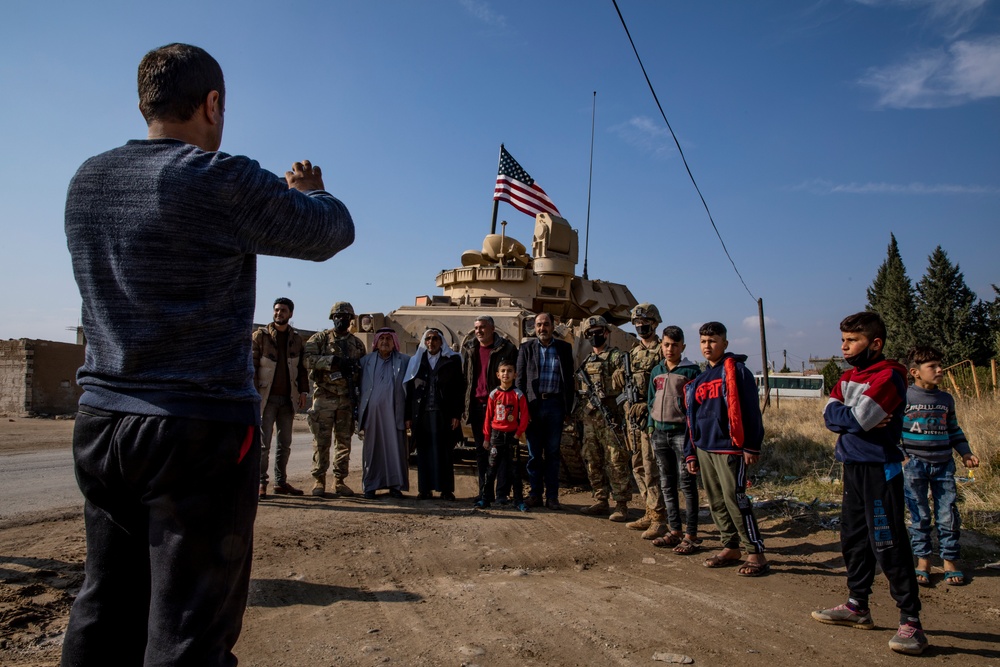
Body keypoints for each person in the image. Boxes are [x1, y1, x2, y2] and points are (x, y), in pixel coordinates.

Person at [62, 43, 354, 666]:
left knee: (104, 609)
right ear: (212, 103)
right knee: (189, 629)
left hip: (103, 421)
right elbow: (331, 232)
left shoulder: (88, 179)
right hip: (196, 429)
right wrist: (314, 190)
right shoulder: (215, 177)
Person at [812, 311, 927, 656]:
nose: (845, 347)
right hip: (853, 467)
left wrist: (853, 417)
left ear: (875, 344)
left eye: (852, 341)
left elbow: (861, 418)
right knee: (854, 539)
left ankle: (911, 622)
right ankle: (857, 606)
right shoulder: (848, 377)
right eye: (843, 340)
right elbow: (831, 414)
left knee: (887, 543)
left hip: (881, 469)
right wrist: (853, 416)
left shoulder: (892, 375)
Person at [684, 322, 769, 577]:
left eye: (713, 341)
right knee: (716, 502)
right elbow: (691, 418)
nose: (707, 346)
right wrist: (691, 451)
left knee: (736, 500)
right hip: (704, 448)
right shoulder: (700, 379)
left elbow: (751, 411)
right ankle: (730, 546)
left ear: (725, 344)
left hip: (729, 448)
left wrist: (752, 445)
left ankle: (755, 552)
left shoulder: (737, 371)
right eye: (703, 342)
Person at [901, 345, 979, 586]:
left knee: (947, 515)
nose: (939, 370)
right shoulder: (904, 397)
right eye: (932, 366)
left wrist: (965, 453)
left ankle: (950, 562)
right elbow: (892, 431)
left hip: (944, 465)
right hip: (914, 465)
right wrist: (902, 456)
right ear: (915, 371)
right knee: (920, 515)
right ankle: (923, 562)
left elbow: (954, 429)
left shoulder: (946, 399)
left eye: (939, 365)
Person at [304, 302, 367, 497]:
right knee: (321, 441)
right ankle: (319, 480)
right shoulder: (320, 339)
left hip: (346, 399)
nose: (343, 319)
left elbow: (362, 370)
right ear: (332, 318)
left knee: (343, 442)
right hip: (324, 395)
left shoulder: (357, 344)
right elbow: (307, 360)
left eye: (347, 317)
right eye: (339, 316)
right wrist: (333, 362)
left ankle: (339, 480)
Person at [647, 325, 701, 552]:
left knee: (686, 484)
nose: (670, 349)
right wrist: (650, 427)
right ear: (662, 345)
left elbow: (696, 406)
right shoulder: (656, 371)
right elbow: (651, 399)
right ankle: (675, 530)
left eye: (675, 346)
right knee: (667, 484)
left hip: (681, 433)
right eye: (667, 345)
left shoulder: (691, 372)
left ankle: (691, 534)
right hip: (659, 433)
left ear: (683, 347)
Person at [516, 312, 575, 509]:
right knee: (533, 454)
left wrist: (568, 407)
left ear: (553, 325)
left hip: (555, 406)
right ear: (535, 327)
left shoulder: (564, 348)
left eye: (546, 324)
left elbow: (570, 379)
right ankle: (534, 494)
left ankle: (552, 497)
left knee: (552, 453)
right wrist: (521, 408)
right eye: (539, 325)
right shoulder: (526, 348)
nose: (542, 328)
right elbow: (520, 380)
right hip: (533, 406)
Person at [577, 316, 633, 522]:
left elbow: (626, 382)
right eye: (590, 334)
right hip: (591, 420)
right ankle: (600, 499)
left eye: (598, 332)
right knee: (592, 460)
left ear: (607, 333)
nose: (594, 336)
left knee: (616, 461)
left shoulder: (616, 357)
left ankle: (621, 504)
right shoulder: (587, 361)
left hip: (612, 418)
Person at [253, 297, 310, 498]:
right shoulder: (260, 337)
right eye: (276, 310)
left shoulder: (297, 339)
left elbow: (302, 369)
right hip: (266, 398)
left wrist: (303, 392)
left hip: (288, 399)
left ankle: (281, 482)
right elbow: (252, 367)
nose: (279, 313)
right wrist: (253, 394)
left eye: (283, 310)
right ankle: (260, 483)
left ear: (290, 314)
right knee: (263, 444)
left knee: (284, 444)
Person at [622, 303, 669, 539]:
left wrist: (647, 406)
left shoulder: (663, 351)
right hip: (634, 417)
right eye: (637, 324)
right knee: (638, 466)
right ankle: (650, 510)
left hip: (653, 417)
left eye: (645, 322)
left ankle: (660, 518)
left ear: (655, 323)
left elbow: (667, 387)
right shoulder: (633, 353)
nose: (641, 326)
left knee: (652, 468)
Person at [404, 328, 466, 500]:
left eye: (435, 339)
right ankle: (425, 489)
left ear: (441, 342)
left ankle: (446, 490)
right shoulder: (417, 361)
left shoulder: (452, 361)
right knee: (424, 453)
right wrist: (408, 416)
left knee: (444, 452)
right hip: (422, 414)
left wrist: (456, 414)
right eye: (428, 339)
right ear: (425, 342)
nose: (431, 342)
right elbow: (410, 391)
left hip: (443, 414)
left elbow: (458, 390)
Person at [462, 315, 518, 502]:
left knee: (502, 452)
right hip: (478, 405)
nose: (478, 331)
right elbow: (466, 377)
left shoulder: (507, 348)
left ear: (493, 328)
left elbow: (516, 376)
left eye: (483, 327)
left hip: (500, 405)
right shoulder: (470, 348)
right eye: (476, 327)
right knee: (481, 450)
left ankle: (502, 494)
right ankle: (485, 492)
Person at [358, 328, 411, 499]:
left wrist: (409, 415)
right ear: (376, 342)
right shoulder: (365, 361)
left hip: (395, 413)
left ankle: (396, 486)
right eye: (382, 339)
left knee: (396, 450)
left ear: (394, 341)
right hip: (372, 415)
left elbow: (411, 390)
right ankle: (370, 486)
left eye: (389, 338)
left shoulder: (404, 361)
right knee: (371, 451)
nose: (385, 342)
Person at [478, 360, 530, 512]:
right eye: (503, 371)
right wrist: (487, 438)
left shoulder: (518, 394)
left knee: (514, 470)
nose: (506, 374)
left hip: (512, 438)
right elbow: (488, 417)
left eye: (509, 371)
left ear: (515, 374)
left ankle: (518, 500)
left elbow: (525, 417)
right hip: (496, 437)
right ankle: (485, 499)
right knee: (491, 469)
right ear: (498, 375)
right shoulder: (494, 394)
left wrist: (518, 434)